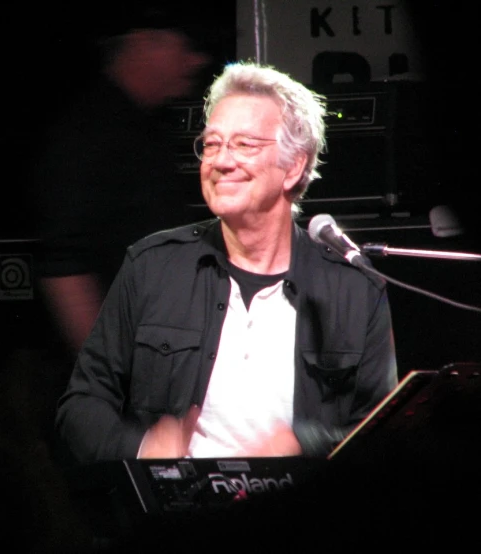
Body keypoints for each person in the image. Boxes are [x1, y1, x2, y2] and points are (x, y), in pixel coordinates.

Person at [54, 61, 399, 464]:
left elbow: (383, 433)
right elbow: (80, 407)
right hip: (178, 517)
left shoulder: (355, 288)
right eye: (213, 143)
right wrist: (144, 447)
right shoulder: (151, 267)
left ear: (294, 166)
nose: (220, 161)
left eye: (243, 145)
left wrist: (307, 445)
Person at [22, 8, 211, 456]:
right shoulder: (91, 133)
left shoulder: (142, 130)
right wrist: (121, 387)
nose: (196, 61)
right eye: (185, 45)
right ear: (145, 41)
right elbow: (64, 268)